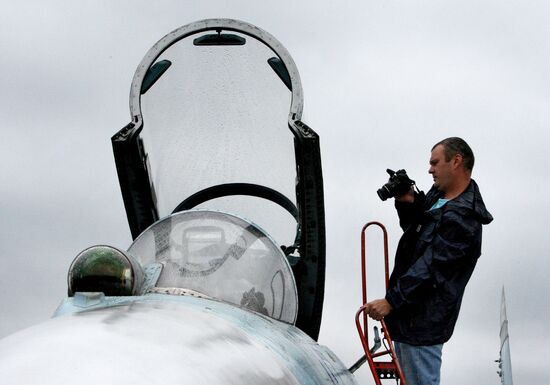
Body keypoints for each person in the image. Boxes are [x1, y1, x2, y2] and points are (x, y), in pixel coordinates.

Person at [364, 137, 493, 385]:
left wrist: (392, 301)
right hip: (407, 317)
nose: (430, 169)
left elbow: (431, 267)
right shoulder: (439, 197)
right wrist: (406, 200)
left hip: (422, 325)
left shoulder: (464, 218)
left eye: (435, 163)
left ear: (456, 161)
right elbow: (415, 232)